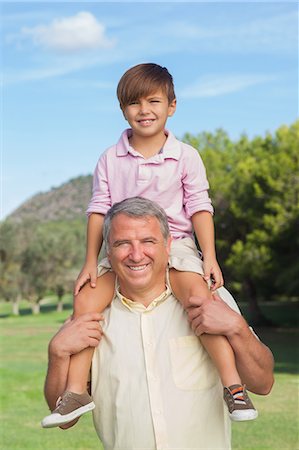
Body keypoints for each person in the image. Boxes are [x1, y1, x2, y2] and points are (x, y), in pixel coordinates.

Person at [42, 63, 256, 427]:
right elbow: (98, 210)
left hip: (177, 246)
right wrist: (90, 262)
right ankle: (76, 391)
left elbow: (200, 207)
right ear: (123, 110)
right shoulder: (110, 158)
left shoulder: (185, 156)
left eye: (154, 101)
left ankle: (233, 386)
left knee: (200, 300)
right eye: (134, 103)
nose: (144, 110)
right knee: (86, 300)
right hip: (125, 249)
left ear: (172, 106)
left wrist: (210, 258)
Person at [43, 198, 274, 449]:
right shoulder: (89, 317)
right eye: (122, 244)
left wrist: (237, 328)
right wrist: (57, 354)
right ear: (108, 252)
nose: (136, 254)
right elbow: (66, 420)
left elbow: (263, 383)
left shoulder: (210, 301)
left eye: (148, 241)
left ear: (168, 245)